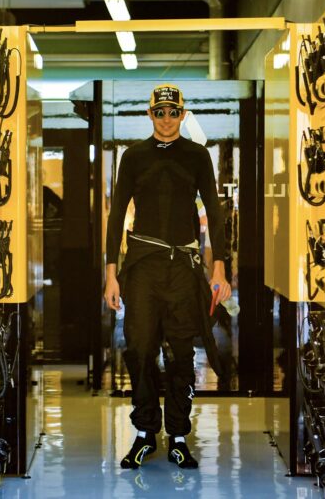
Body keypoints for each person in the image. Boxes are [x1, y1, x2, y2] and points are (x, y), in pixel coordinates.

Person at [103, 83, 231, 470]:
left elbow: (214, 209)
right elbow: (115, 216)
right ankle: (144, 433)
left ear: (183, 114)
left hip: (182, 267)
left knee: (180, 353)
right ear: (150, 115)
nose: (166, 119)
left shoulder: (197, 156)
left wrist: (220, 267)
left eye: (173, 112)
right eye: (159, 112)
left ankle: (177, 435)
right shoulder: (133, 157)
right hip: (142, 264)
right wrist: (111, 275)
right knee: (139, 348)